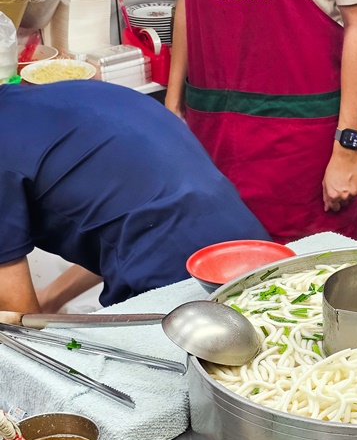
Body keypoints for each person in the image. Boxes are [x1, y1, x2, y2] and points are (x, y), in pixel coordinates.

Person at [165, 0, 357, 243]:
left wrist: (348, 150)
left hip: (299, 149)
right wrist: (172, 107)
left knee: (304, 277)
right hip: (208, 140)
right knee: (219, 268)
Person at [0, 80, 271, 313]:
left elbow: (20, 322)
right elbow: (115, 221)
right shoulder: (80, 95)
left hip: (179, 292)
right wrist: (49, 300)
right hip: (255, 255)